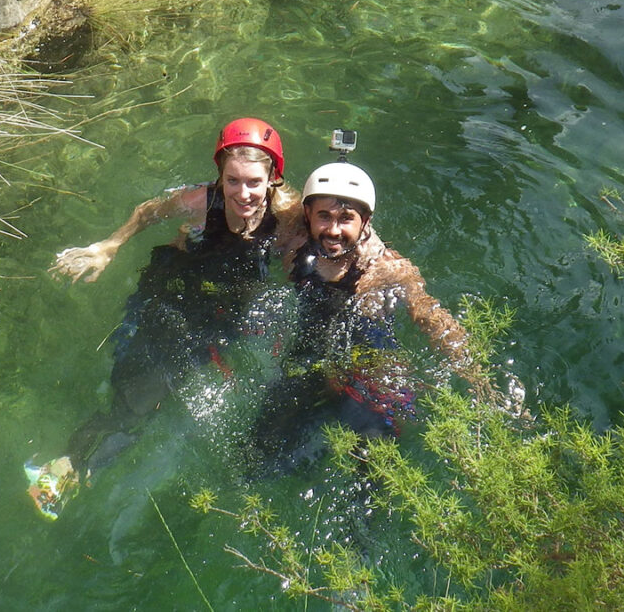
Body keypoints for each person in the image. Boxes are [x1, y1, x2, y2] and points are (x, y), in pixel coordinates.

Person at [28, 118, 301, 519]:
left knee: (165, 385)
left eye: (254, 182)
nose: (243, 194)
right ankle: (73, 459)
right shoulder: (200, 201)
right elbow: (147, 213)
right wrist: (108, 246)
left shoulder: (289, 215)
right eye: (232, 181)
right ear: (220, 176)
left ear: (273, 178)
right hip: (173, 285)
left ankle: (88, 457)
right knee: (138, 381)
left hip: (223, 305)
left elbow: (334, 229)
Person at [251, 161, 514, 470]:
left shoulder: (387, 269)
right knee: (259, 456)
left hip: (369, 370)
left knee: (373, 471)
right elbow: (266, 192)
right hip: (310, 359)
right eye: (324, 216)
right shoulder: (294, 244)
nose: (333, 230)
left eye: (346, 219)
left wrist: (476, 375)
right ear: (308, 215)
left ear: (366, 221)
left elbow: (431, 316)